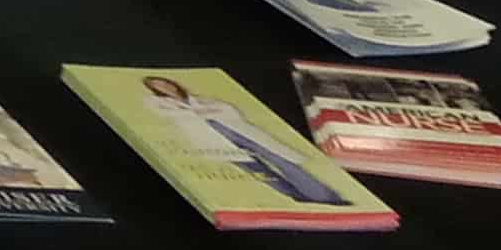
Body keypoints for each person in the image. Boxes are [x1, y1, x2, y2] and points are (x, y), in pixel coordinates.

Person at [138, 75, 346, 208]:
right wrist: (197, 113)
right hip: (210, 136)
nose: (163, 86)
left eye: (164, 82)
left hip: (232, 129)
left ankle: (324, 197)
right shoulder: (155, 102)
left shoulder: (204, 99)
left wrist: (199, 111)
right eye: (157, 85)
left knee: (279, 159)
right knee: (255, 169)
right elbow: (171, 116)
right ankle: (296, 196)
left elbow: (230, 111)